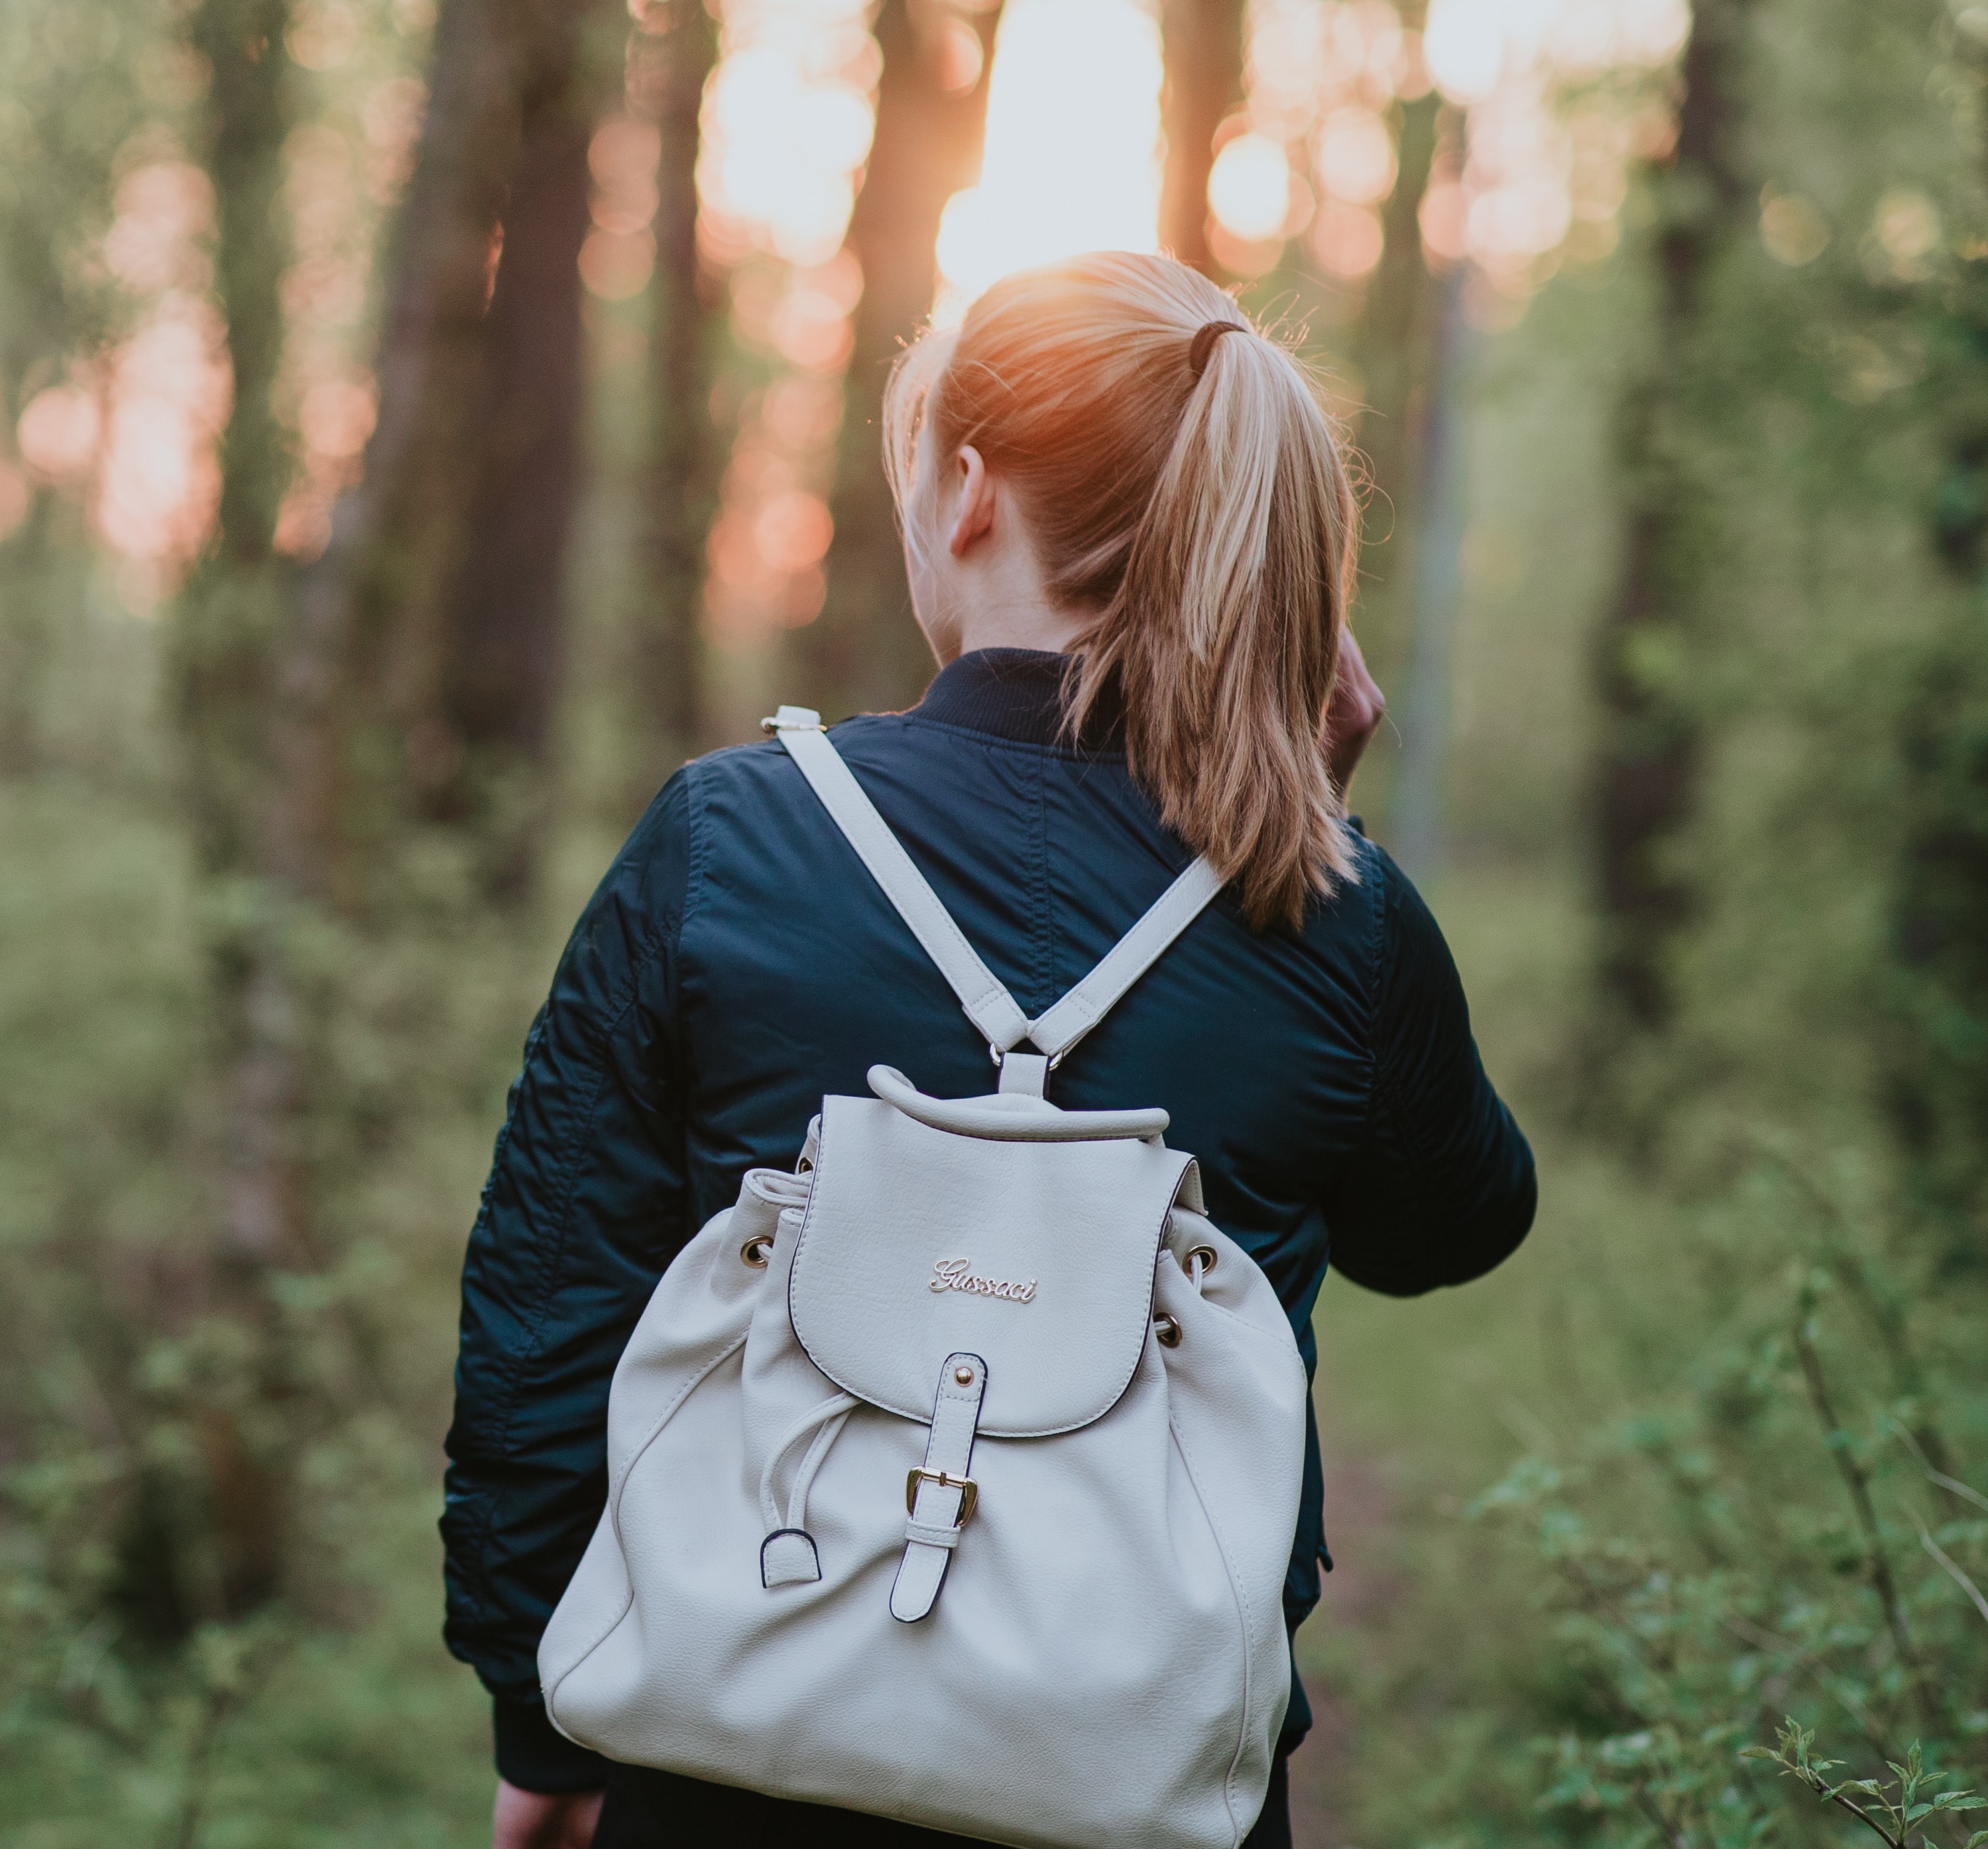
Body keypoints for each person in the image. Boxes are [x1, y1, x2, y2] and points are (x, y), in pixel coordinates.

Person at [441, 251, 1537, 1849]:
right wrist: (1313, 837)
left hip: (734, 1740)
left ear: (967, 494)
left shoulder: (726, 843)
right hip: (1149, 1777)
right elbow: (1448, 1227)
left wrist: (541, 1738)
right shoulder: (1332, 918)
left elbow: (546, 1318)